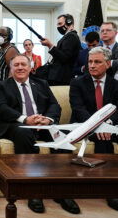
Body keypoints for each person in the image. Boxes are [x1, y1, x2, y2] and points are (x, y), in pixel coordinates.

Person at [0, 54, 80, 214]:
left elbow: (54, 105)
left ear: (30, 67)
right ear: (10, 69)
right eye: (16, 65)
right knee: (23, 134)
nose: (20, 68)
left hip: (42, 124)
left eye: (23, 65)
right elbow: (1, 108)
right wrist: (26, 119)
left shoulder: (41, 83)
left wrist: (47, 119)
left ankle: (63, 192)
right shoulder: (2, 86)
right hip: (16, 125)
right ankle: (33, 192)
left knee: (62, 136)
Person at [70, 46, 118, 211]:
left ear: (107, 64)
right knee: (102, 139)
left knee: (106, 136)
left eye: (97, 62)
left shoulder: (115, 84)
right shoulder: (77, 83)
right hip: (84, 126)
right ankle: (110, 191)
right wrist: (98, 126)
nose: (92, 65)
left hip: (110, 126)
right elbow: (78, 109)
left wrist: (108, 124)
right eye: (90, 61)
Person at [40, 14, 81, 85]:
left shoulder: (71, 36)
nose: (58, 26)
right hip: (59, 77)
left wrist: (50, 45)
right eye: (57, 24)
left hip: (62, 78)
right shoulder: (68, 37)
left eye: (60, 23)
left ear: (69, 22)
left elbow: (64, 57)